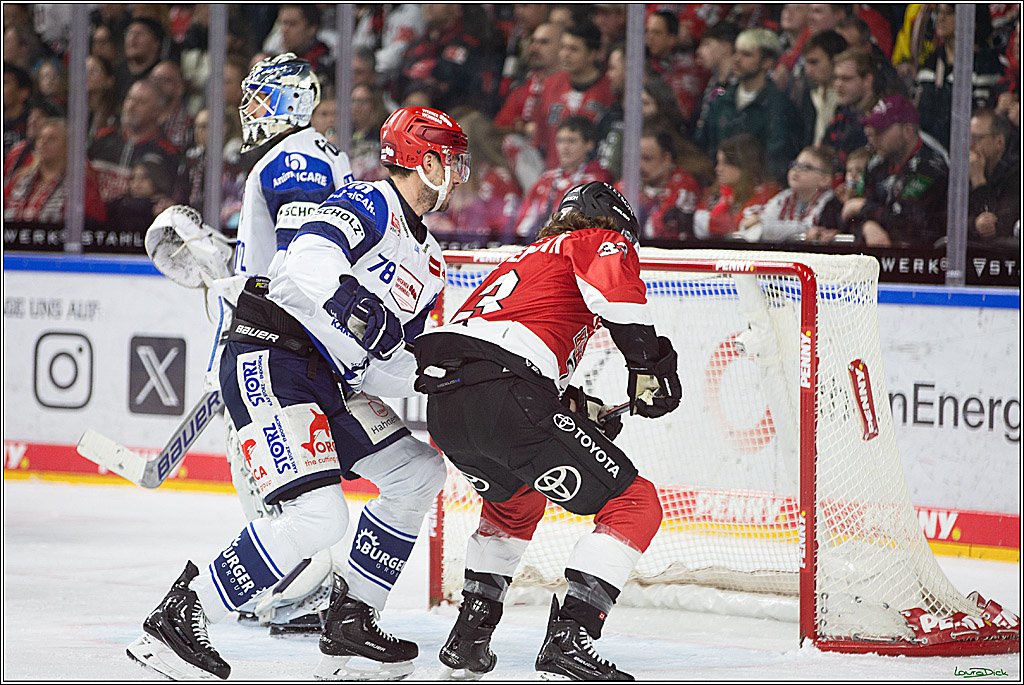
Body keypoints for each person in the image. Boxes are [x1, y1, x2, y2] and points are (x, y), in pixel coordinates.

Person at [127, 104, 469, 681]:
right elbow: (309, 255)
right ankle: (183, 617)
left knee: (418, 474)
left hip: (331, 379)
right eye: (451, 161)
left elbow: (388, 359)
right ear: (423, 160)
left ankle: (351, 624)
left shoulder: (431, 262)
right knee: (318, 517)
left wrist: (443, 380)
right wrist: (355, 307)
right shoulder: (368, 202)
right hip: (272, 354)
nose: (459, 175)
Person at [414, 181, 681, 681]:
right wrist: (653, 366)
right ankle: (571, 636)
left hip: (448, 408)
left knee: (514, 505)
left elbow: (505, 349)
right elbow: (618, 297)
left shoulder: (527, 259)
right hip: (507, 395)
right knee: (636, 503)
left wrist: (578, 409)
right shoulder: (597, 239)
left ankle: (470, 635)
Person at [695, 28, 802, 184]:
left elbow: (777, 160)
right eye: (736, 52)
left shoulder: (779, 107)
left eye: (746, 54)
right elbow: (704, 145)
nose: (736, 59)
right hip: (718, 188)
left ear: (767, 62)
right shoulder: (721, 101)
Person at [844, 94, 949, 247]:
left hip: (920, 260)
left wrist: (862, 208)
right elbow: (848, 216)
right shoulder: (876, 164)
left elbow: (908, 224)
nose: (873, 137)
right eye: (871, 130)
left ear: (907, 130)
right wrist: (867, 226)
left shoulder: (930, 168)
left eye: (880, 130)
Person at [514, 115, 612, 241]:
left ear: (589, 145)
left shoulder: (598, 182)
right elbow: (521, 223)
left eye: (571, 141)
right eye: (560, 141)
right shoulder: (545, 180)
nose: (564, 148)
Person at [737, 145, 842, 243]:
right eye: (795, 165)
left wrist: (763, 228)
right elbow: (763, 220)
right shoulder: (783, 197)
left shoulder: (830, 202)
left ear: (825, 179)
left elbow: (809, 227)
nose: (796, 170)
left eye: (806, 167)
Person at [618, 121, 701, 241]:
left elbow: (661, 231)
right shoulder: (625, 185)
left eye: (647, 159)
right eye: (636, 158)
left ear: (666, 159)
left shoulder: (685, 185)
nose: (639, 165)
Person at [693, 133, 780, 240]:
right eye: (718, 162)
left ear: (742, 164)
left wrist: (712, 222)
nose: (718, 169)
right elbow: (698, 223)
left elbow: (742, 227)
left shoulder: (767, 193)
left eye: (725, 163)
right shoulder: (716, 191)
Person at [967, 108, 1020, 245]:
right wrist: (973, 225)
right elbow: (943, 219)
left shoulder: (1016, 175)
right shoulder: (962, 171)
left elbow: (996, 225)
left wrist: (979, 181)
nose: (971, 145)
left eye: (977, 138)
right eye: (969, 137)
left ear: (999, 142)